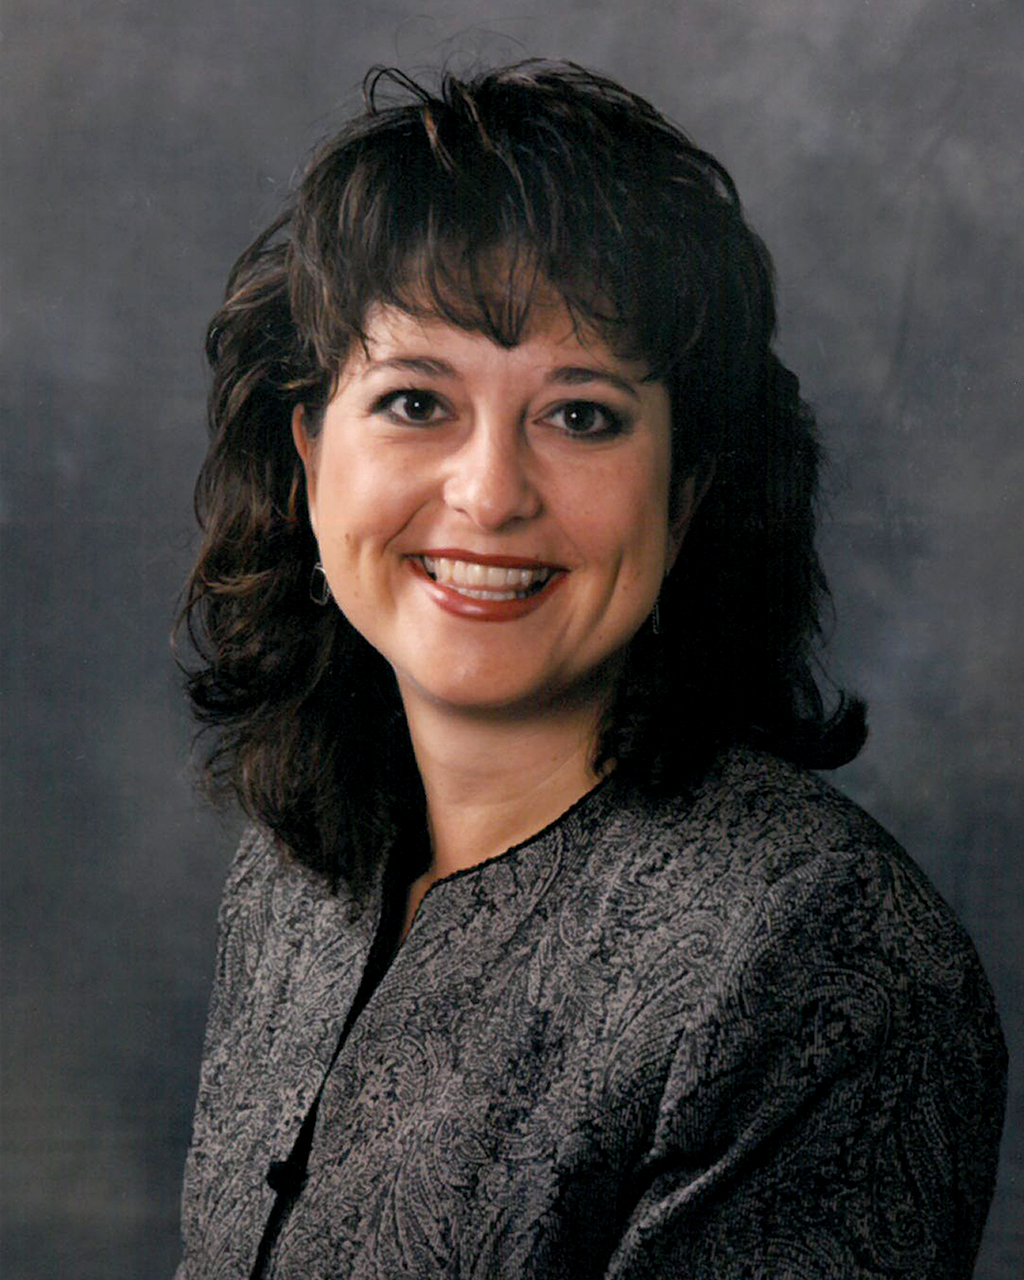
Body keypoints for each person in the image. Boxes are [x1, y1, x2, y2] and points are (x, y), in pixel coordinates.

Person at [174, 62, 1006, 1279]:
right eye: (415, 400)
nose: (490, 493)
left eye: (581, 416)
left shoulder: (819, 956)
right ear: (309, 455)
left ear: (688, 488)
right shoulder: (298, 870)